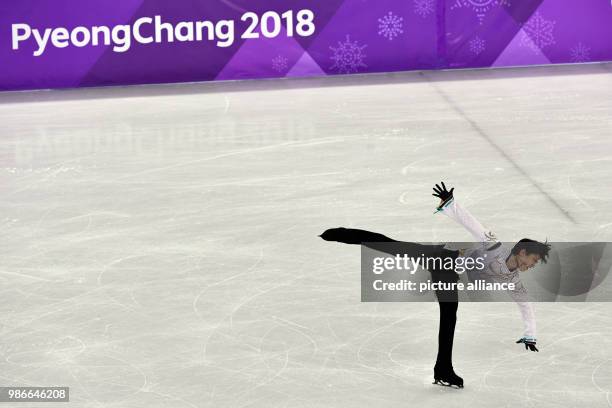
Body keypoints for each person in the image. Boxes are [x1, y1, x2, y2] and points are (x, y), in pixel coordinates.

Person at [320, 182, 550, 388]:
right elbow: (473, 224)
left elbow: (525, 305)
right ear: (522, 251)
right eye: (534, 259)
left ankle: (443, 370)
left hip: (449, 276)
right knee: (391, 246)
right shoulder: (494, 246)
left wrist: (530, 334)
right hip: (440, 257)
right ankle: (344, 234)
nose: (533, 265)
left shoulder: (513, 280)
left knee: (449, 317)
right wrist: (450, 203)